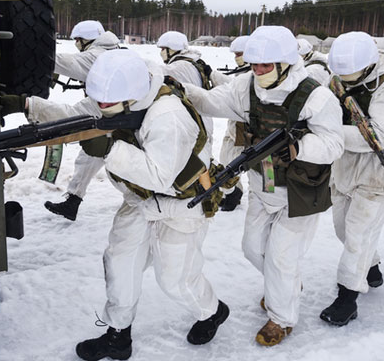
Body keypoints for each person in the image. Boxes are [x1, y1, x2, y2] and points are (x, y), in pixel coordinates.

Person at [20, 50, 229, 360]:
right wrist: (28, 105)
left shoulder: (168, 115)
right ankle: (118, 335)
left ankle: (211, 311)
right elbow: (76, 117)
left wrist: (110, 148)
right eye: (100, 102)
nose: (102, 109)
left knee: (175, 279)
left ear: (132, 97)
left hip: (180, 204)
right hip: (138, 199)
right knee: (119, 264)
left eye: (107, 105)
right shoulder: (113, 93)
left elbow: (160, 176)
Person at [183, 25, 344, 346]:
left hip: (301, 189)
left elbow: (334, 144)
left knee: (282, 258)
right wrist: (179, 90)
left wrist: (301, 147)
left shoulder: (315, 95)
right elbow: (213, 102)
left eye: (265, 65)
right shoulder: (247, 87)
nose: (257, 70)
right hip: (263, 183)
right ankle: (285, 285)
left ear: (285, 63)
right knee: (253, 248)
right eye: (254, 64)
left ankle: (281, 319)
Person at [320, 32, 384, 327]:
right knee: (342, 228)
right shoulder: (337, 79)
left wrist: (326, 134)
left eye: (351, 74)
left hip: (379, 166)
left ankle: (348, 297)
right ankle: (370, 265)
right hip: (344, 163)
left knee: (359, 234)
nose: (344, 80)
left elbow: (379, 136)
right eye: (341, 74)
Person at [44, 20, 119, 221]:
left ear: (84, 40)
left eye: (77, 41)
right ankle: (72, 203)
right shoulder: (114, 51)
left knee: (119, 168)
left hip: (108, 114)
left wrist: (38, 55)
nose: (76, 45)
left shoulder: (96, 56)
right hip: (111, 115)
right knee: (89, 156)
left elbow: (67, 63)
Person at [217, 35, 250, 211]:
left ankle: (267, 200)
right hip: (236, 128)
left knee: (266, 173)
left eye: (241, 53)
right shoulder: (241, 72)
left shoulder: (257, 74)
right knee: (227, 162)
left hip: (257, 131)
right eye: (236, 54)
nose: (237, 57)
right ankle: (232, 193)